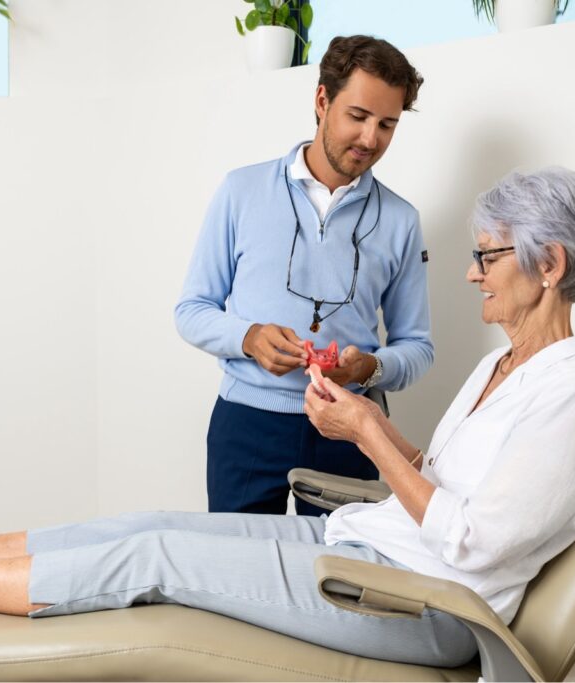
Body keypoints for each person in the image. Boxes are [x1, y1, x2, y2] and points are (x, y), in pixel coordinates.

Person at [0, 167, 575, 668]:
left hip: (423, 605)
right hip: (367, 544)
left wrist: (366, 437)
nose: (470, 272)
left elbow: (471, 540)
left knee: (156, 560)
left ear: (548, 264)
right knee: (147, 521)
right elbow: (443, 478)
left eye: (487, 256)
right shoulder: (502, 366)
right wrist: (365, 420)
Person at [174, 35, 433, 516]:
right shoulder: (240, 190)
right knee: (234, 575)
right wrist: (248, 337)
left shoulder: (401, 220)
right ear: (321, 100)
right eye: (358, 116)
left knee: (341, 579)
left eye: (387, 125)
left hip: (350, 429)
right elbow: (191, 310)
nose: (370, 139)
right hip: (245, 424)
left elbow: (417, 346)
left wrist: (368, 368)